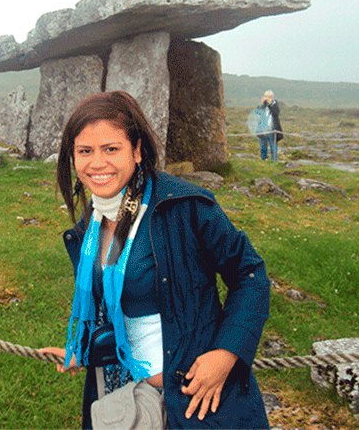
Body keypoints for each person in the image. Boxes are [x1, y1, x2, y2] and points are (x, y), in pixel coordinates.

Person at [40, 91, 270, 429]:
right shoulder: (92, 221)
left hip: (194, 402)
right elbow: (115, 303)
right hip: (125, 399)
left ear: (136, 150)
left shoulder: (186, 206)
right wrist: (87, 348)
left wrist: (225, 355)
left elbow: (250, 274)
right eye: (85, 151)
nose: (97, 163)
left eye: (111, 149)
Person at [255, 90, 282, 162]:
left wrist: (270, 104)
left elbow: (275, 113)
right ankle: (264, 161)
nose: (267, 98)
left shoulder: (275, 105)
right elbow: (257, 113)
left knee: (273, 148)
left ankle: (274, 161)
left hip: (272, 130)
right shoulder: (263, 105)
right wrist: (262, 103)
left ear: (272, 97)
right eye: (266, 97)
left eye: (269, 97)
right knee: (263, 148)